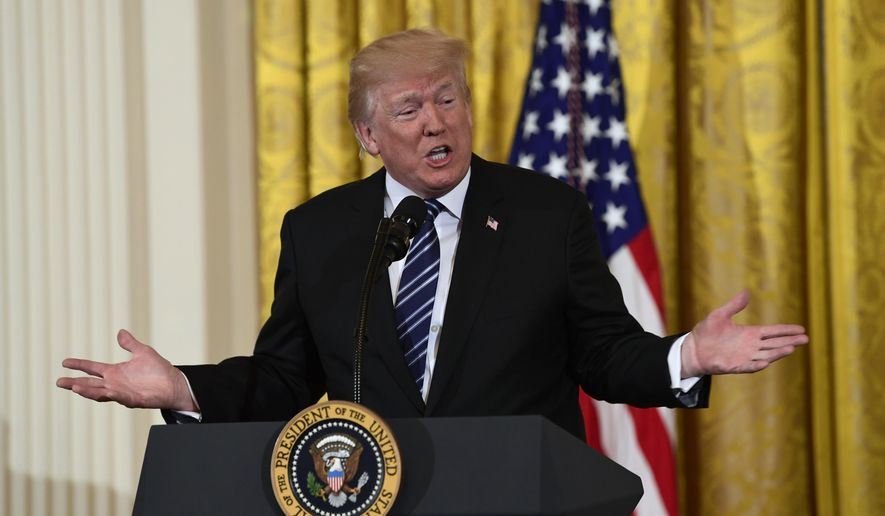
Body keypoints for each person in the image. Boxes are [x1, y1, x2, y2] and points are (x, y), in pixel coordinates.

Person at [57, 28, 807, 440]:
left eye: (446, 98)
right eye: (410, 108)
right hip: (378, 498)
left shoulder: (545, 213)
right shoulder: (320, 230)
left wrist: (686, 354)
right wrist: (184, 386)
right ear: (369, 135)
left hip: (524, 498)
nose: (436, 121)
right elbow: (288, 379)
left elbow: (604, 354)